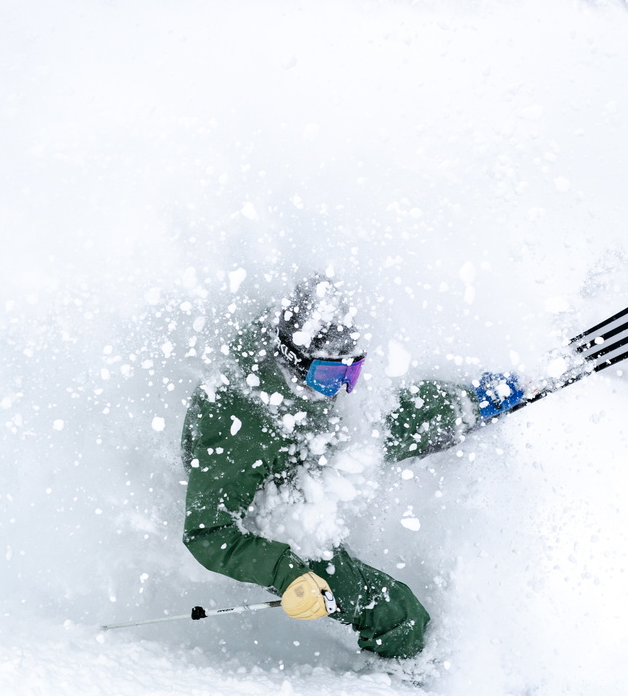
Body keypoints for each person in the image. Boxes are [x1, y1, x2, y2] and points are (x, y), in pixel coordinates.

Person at [179, 275, 525, 659]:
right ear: (290, 359)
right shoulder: (235, 421)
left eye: (352, 372)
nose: (343, 386)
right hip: (266, 507)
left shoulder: (307, 376)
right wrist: (287, 572)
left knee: (375, 425)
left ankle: (464, 406)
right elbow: (208, 531)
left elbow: (374, 418)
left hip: (301, 445)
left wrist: (462, 404)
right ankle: (410, 679)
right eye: (330, 376)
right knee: (395, 610)